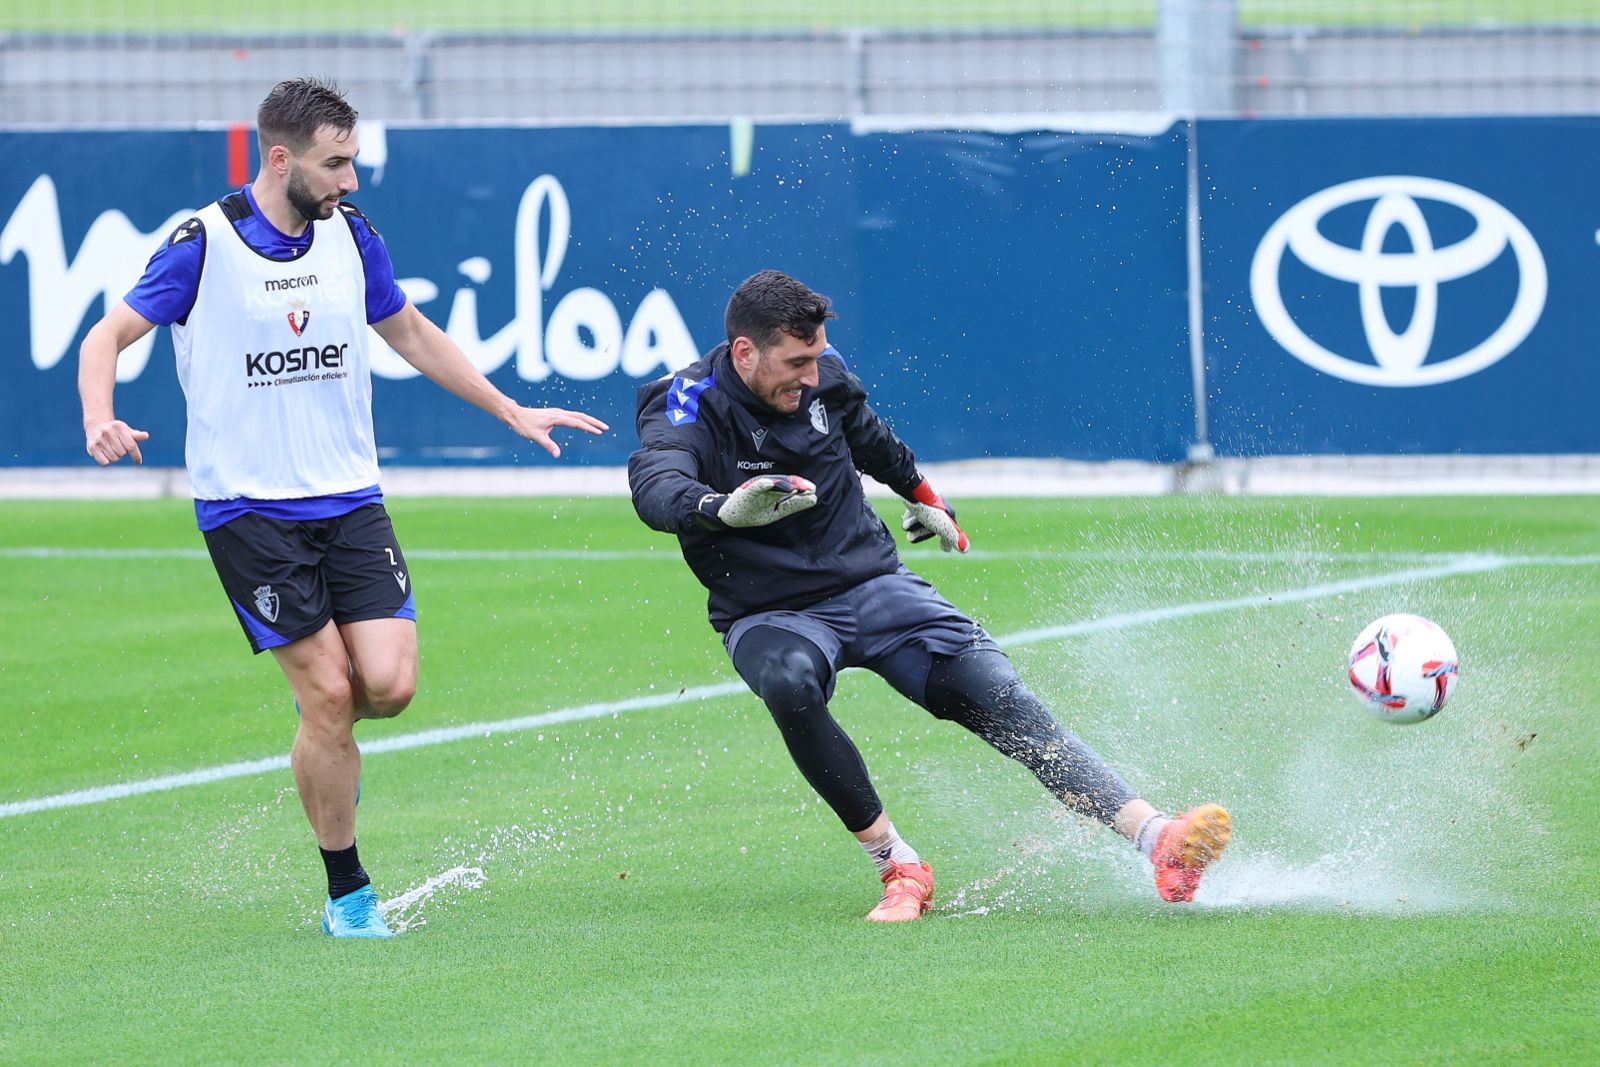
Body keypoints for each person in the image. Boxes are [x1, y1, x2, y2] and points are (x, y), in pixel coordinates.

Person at [79, 77, 609, 938]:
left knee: (390, 687)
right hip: (248, 510)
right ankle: (349, 896)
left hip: (351, 499)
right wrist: (100, 416)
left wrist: (510, 408)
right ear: (280, 158)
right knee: (332, 696)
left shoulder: (351, 236)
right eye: (336, 164)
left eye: (353, 160)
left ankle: (318, 728)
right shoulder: (201, 245)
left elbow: (409, 332)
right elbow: (105, 336)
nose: (350, 180)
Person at [628, 270, 1230, 921]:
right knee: (788, 684)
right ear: (746, 352)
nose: (809, 374)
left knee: (998, 694)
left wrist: (923, 496)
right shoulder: (685, 399)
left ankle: (1157, 839)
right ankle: (898, 864)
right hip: (769, 609)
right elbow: (656, 480)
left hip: (871, 582)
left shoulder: (824, 372)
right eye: (794, 362)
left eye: (815, 356)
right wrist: (721, 509)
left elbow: (869, 437)